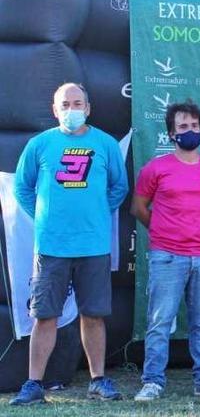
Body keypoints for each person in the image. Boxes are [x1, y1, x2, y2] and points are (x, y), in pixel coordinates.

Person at [10, 83, 128, 405]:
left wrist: (98, 214)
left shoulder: (105, 144)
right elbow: (22, 187)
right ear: (55, 109)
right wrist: (45, 217)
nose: (71, 109)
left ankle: (98, 380)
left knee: (93, 315)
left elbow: (119, 186)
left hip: (93, 246)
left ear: (88, 108)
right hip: (51, 247)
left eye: (77, 103)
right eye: (65, 104)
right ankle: (33, 384)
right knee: (44, 316)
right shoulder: (40, 145)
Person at [130, 101, 200, 400]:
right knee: (160, 323)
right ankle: (152, 382)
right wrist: (164, 231)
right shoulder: (156, 168)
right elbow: (138, 207)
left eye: (195, 126)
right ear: (172, 134)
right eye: (183, 127)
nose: (190, 131)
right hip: (167, 257)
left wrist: (199, 232)